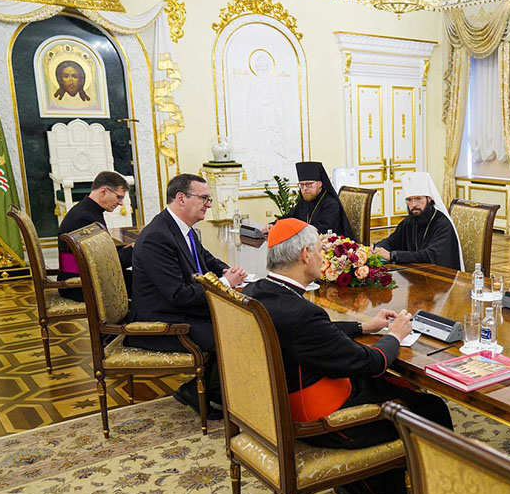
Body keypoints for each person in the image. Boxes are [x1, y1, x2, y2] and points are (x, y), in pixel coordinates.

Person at [243, 219, 453, 494]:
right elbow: (372, 361)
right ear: (304, 255)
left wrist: (362, 327)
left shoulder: (258, 290)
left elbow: (311, 335)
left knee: (391, 385)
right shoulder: (302, 313)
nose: (322, 257)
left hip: (284, 397)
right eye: (318, 251)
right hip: (320, 418)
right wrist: (394, 335)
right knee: (430, 408)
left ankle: (367, 483)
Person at [126, 173, 247, 417]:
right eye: (204, 198)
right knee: (232, 332)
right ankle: (200, 391)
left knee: (238, 323)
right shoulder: (157, 238)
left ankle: (215, 391)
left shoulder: (184, 229)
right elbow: (178, 295)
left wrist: (225, 270)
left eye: (209, 199)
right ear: (181, 198)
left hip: (182, 311)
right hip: (160, 322)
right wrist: (225, 283)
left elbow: (205, 259)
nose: (209, 204)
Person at [56, 170, 133, 302]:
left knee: (144, 279)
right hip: (79, 284)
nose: (120, 203)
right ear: (103, 191)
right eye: (119, 197)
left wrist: (127, 249)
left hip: (87, 276)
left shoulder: (87, 210)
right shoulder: (84, 218)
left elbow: (100, 255)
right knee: (146, 283)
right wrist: (134, 251)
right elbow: (103, 263)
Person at [371, 172, 464, 271]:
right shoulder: (409, 221)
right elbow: (391, 241)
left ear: (429, 199)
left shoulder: (443, 224)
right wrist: (376, 248)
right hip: (416, 274)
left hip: (441, 277)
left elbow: (430, 255)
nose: (414, 205)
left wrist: (393, 255)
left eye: (418, 199)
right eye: (409, 200)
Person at [265, 162, 352, 237]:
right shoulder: (305, 200)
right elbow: (290, 216)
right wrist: (274, 224)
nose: (305, 188)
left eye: (309, 184)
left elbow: (322, 230)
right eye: (301, 185)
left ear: (319, 184)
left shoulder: (331, 204)